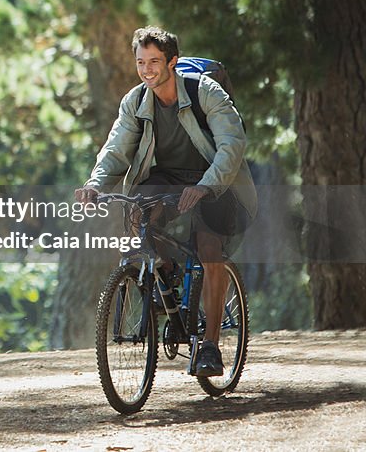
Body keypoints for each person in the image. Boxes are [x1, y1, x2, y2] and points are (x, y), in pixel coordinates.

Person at [75, 26, 256, 377]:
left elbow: (232, 145)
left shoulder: (205, 92)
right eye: (140, 62)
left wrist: (205, 187)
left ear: (172, 61)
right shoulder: (135, 101)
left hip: (216, 179)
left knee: (208, 246)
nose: (146, 70)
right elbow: (116, 149)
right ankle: (165, 278)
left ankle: (210, 347)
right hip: (170, 178)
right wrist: (95, 184)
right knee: (138, 214)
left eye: (154, 61)